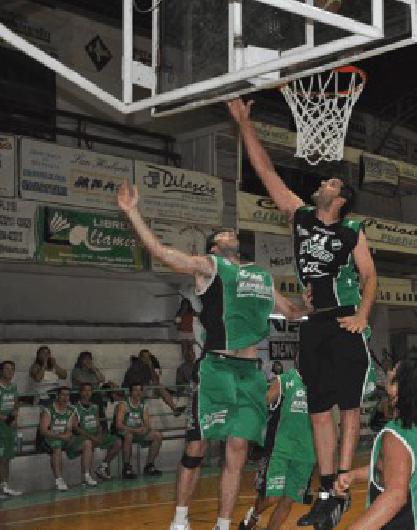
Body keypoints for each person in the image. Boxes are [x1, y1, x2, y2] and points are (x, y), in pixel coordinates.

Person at [116, 181, 309, 530]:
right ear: (215, 246)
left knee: (237, 450)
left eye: (232, 230)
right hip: (217, 368)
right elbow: (162, 252)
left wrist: (313, 303)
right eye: (224, 232)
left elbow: (292, 313)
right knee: (197, 447)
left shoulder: (261, 275)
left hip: (251, 372)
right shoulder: (210, 267)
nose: (231, 232)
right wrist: (132, 213)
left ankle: (223, 523)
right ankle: (180, 519)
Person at [229, 97, 379, 529]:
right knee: (318, 410)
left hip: (346, 318)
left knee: (349, 408)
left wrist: (364, 316)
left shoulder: (353, 232)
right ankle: (327, 485)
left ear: (341, 198)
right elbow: (267, 173)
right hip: (315, 325)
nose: (323, 184)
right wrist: (244, 123)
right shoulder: (300, 217)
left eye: (330, 183)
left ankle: (340, 490)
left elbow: (370, 277)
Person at [335, 354, 417, 529]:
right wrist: (354, 475)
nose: (390, 371)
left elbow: (395, 496)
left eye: (395, 372)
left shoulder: (397, 435)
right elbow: (402, 467)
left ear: (400, 387)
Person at [239, 366, 316, 530]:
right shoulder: (285, 380)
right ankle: (254, 514)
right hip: (280, 449)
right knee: (272, 496)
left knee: (288, 500)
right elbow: (262, 403)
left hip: (306, 454)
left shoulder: (320, 384)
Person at [67, 382, 122, 485]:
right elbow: (76, 428)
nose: (87, 393)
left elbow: (98, 424)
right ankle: (86, 477)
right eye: (85, 390)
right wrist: (93, 437)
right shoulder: (74, 408)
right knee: (88, 443)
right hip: (81, 438)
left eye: (89, 390)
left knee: (117, 441)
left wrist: (99, 434)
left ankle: (103, 465)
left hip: (94, 436)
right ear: (81, 392)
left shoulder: (95, 407)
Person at [114, 382, 163, 479]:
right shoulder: (123, 404)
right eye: (135, 390)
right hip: (125, 431)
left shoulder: (143, 405)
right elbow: (119, 425)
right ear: (131, 392)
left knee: (157, 435)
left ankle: (149, 465)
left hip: (138, 431)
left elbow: (147, 423)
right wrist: (134, 430)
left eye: (140, 390)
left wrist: (145, 428)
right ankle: (126, 467)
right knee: (129, 436)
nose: (138, 392)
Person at [123, 349, 185, 417]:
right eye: (145, 357)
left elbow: (156, 382)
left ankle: (174, 409)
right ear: (140, 358)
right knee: (155, 387)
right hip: (132, 391)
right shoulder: (134, 367)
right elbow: (134, 385)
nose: (147, 359)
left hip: (144, 389)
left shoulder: (148, 366)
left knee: (160, 386)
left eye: (148, 357)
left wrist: (151, 366)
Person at [37, 386, 77, 491]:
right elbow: (43, 431)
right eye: (63, 394)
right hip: (46, 439)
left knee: (82, 442)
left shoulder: (71, 411)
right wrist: (60, 436)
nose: (65, 397)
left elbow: (69, 428)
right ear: (58, 396)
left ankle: (86, 475)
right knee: (57, 446)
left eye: (67, 395)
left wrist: (68, 434)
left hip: (61, 438)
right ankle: (59, 479)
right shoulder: (48, 410)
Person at [0, 360, 22, 497]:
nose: (10, 372)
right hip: (1, 427)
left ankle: (5, 486)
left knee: (6, 458)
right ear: (1, 371)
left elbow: (15, 405)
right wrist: (8, 420)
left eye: (12, 369)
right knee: (1, 458)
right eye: (7, 369)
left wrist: (14, 417)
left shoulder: (13, 387)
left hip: (9, 429)